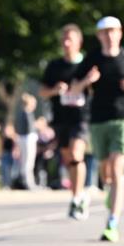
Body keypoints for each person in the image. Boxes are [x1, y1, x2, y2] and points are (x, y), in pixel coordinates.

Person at [72, 16, 124, 242]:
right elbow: (74, 89)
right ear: (99, 36)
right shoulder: (92, 59)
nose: (109, 35)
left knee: (116, 170)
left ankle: (112, 222)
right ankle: (112, 193)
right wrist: (87, 80)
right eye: (105, 32)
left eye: (113, 31)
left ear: (120, 33)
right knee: (106, 173)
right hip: (98, 120)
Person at [40, 24, 90, 219]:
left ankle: (77, 199)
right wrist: (54, 90)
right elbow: (42, 92)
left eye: (70, 39)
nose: (66, 43)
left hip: (81, 117)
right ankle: (78, 194)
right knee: (69, 158)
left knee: (77, 154)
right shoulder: (54, 66)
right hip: (60, 119)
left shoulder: (86, 65)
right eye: (64, 40)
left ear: (79, 42)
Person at [14, 92, 38, 190]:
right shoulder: (27, 113)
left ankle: (28, 181)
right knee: (28, 162)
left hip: (22, 138)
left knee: (25, 161)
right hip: (28, 138)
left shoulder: (21, 113)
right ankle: (28, 182)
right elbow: (29, 127)